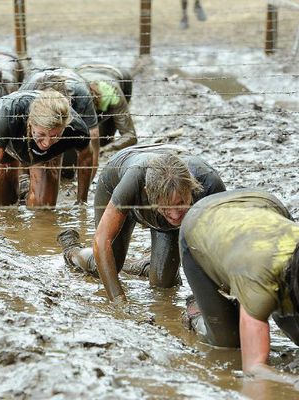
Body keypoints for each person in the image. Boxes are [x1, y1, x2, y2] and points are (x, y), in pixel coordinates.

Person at [56, 144, 225, 303]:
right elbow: (102, 240)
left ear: (191, 188)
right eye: (166, 207)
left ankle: (142, 266)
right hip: (117, 183)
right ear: (148, 194)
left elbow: (220, 246)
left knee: (163, 285)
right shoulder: (133, 184)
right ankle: (72, 250)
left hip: (163, 192)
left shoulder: (209, 183)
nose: (174, 215)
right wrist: (119, 301)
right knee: (102, 268)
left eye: (181, 202)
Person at [180, 189, 299, 384]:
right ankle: (196, 314)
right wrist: (292, 382)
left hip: (263, 203)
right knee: (229, 343)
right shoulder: (259, 277)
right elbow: (253, 369)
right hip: (201, 219)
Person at [0, 89, 93, 223]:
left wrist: (81, 202)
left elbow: (86, 157)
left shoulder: (76, 128)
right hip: (9, 140)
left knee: (43, 210)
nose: (47, 143)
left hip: (44, 157)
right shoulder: (9, 114)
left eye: (55, 136)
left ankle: (27, 188)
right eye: (41, 135)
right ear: (31, 122)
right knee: (5, 205)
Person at [19, 67, 99, 179]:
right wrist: (24, 177)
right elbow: (19, 137)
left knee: (68, 173)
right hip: (36, 85)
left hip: (74, 87)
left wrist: (89, 180)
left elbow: (93, 136)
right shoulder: (25, 97)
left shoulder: (81, 95)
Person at [75, 63, 137, 156]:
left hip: (117, 74)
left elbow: (130, 135)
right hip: (83, 69)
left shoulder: (112, 93)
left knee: (104, 140)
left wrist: (105, 149)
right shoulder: (71, 94)